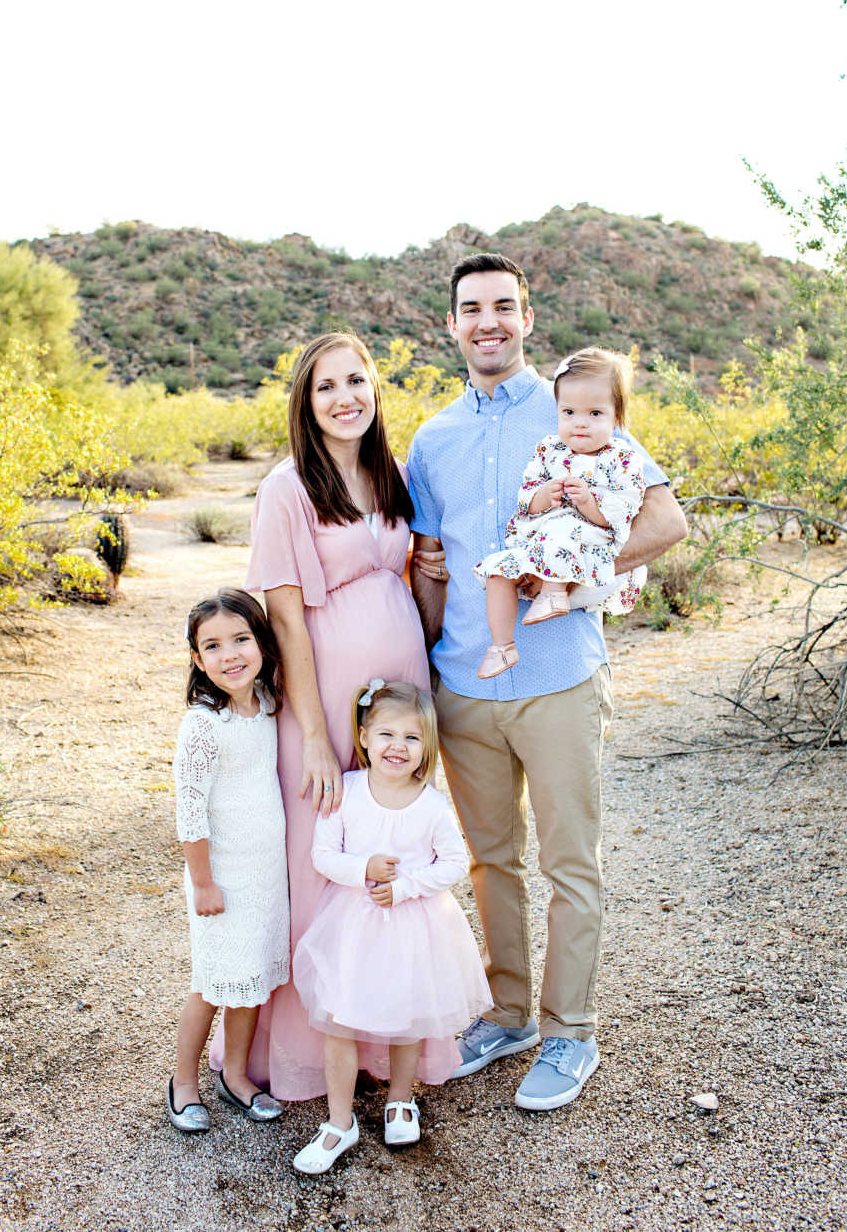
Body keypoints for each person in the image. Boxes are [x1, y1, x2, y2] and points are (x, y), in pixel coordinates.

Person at [408, 253, 687, 1111]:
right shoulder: (432, 438)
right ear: (451, 326)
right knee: (491, 863)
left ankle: (571, 1033)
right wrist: (421, 668)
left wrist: (591, 564)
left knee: (571, 863)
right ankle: (507, 1014)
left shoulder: (579, 406)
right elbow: (432, 563)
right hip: (464, 682)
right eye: (470, 309)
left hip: (560, 674)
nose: (487, 322)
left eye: (502, 306)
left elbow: (667, 520)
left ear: (527, 316)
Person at [208, 331, 439, 1100]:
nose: (346, 399)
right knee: (323, 857)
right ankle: (310, 1049)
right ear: (305, 404)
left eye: (357, 382)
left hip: (400, 691)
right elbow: (285, 620)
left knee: (390, 843)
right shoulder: (288, 487)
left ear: (376, 389)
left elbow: (412, 574)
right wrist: (311, 735)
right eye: (326, 388)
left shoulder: (391, 473)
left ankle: (382, 1042)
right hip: (326, 696)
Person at [290, 680, 491, 1173]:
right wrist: (362, 870)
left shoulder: (431, 805)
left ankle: (401, 1099)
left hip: (413, 929)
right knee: (338, 1021)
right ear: (363, 737)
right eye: (386, 735)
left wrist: (404, 887)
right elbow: (323, 855)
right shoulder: (347, 792)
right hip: (352, 929)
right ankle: (340, 1122)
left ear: (427, 746)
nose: (397, 747)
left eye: (411, 738)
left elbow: (454, 864)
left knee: (406, 1015)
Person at [168, 589, 288, 1133]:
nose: (230, 655)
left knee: (252, 980)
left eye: (241, 639)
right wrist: (204, 884)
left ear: (261, 643)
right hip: (220, 879)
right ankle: (183, 1081)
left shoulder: (266, 703)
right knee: (213, 984)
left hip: (266, 876)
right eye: (212, 646)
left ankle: (236, 1075)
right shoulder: (203, 725)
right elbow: (189, 814)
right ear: (197, 659)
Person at [473, 346, 646, 679]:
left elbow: (623, 511)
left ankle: (554, 594)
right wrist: (542, 496)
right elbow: (526, 498)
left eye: (595, 414)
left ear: (616, 417)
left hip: (589, 537)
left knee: (563, 530)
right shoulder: (549, 449)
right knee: (496, 569)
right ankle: (502, 647)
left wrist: (588, 504)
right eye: (569, 412)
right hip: (538, 541)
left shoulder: (621, 458)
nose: (580, 423)